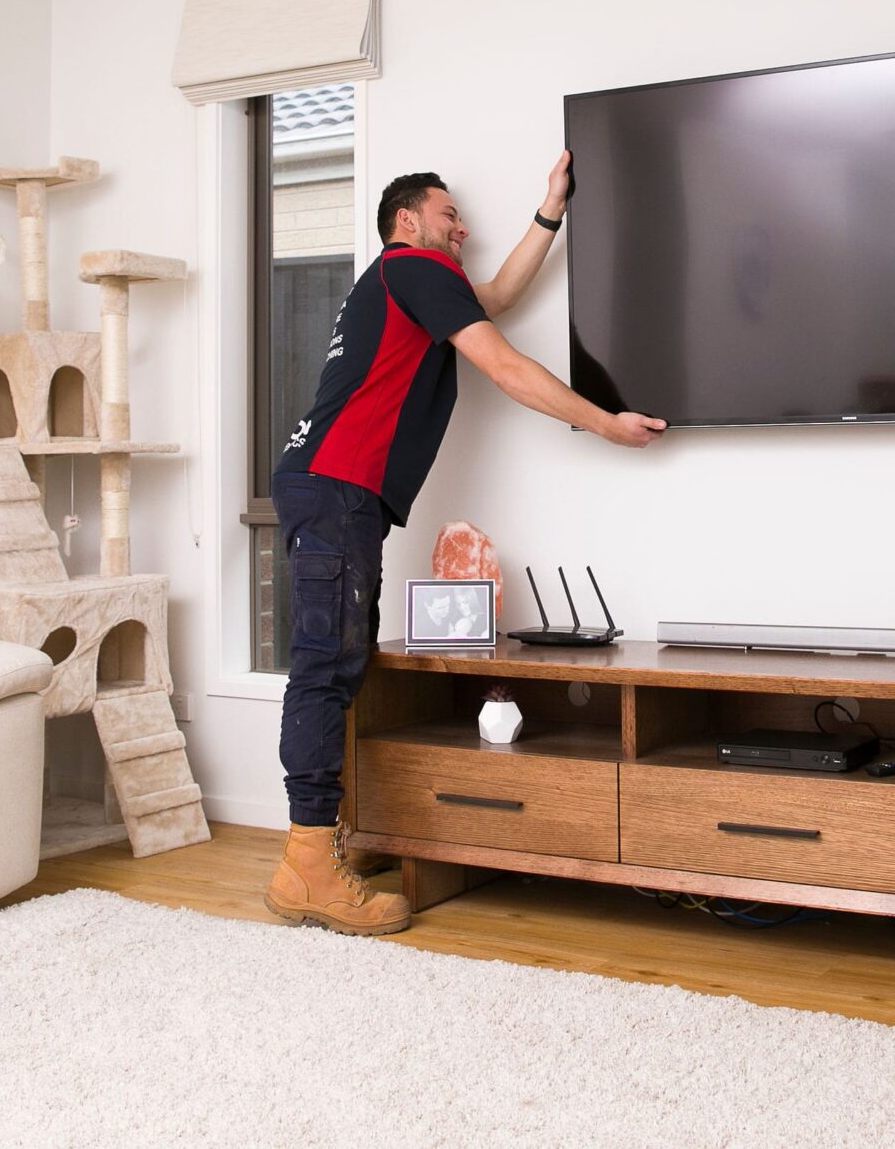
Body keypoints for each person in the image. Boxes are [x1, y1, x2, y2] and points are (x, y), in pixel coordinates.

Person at [264, 156, 666, 937]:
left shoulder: (409, 280)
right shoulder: (411, 267)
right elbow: (508, 367)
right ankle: (308, 864)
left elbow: (501, 298)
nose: (464, 227)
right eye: (451, 215)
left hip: (335, 489)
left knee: (340, 665)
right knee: (325, 667)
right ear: (407, 221)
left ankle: (318, 847)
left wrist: (550, 210)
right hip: (336, 487)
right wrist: (603, 423)